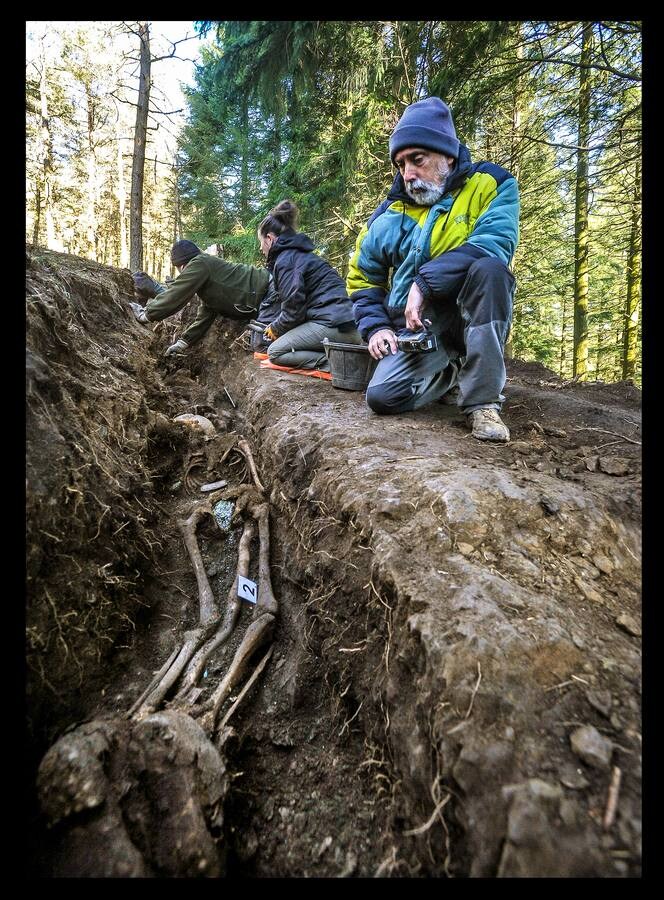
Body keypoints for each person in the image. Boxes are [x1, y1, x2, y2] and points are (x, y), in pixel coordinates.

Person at [347, 97, 519, 442]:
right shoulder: (388, 213)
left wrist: (423, 284)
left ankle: (483, 403)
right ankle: (452, 372)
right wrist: (377, 327)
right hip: (419, 329)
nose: (408, 174)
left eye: (417, 160)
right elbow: (362, 277)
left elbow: (494, 243)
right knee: (382, 397)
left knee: (490, 270)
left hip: (471, 315)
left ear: (447, 155)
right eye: (400, 164)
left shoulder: (491, 185)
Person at [257, 200, 362, 371]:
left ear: (269, 238)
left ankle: (340, 365)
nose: (261, 249)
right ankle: (343, 358)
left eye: (261, 242)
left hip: (334, 326)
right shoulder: (300, 255)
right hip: (346, 323)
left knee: (275, 352)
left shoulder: (286, 260)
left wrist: (275, 328)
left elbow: (293, 311)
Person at [129, 239, 271, 355]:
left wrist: (146, 314)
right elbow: (206, 313)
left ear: (183, 266)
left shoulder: (199, 263)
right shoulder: (207, 276)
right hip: (266, 294)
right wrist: (183, 342)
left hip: (271, 293)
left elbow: (177, 293)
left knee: (263, 349)